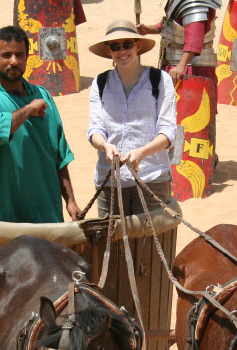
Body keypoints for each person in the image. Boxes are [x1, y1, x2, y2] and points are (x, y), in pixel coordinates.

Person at [0, 25, 80, 223]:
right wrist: (28, 110)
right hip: (1, 216)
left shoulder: (43, 96)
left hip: (45, 212)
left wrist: (70, 201)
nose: (14, 61)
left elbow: (59, 155)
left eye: (20, 55)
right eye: (6, 55)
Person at [87, 19, 176, 217]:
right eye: (115, 46)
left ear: (138, 46)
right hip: (109, 181)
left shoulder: (161, 80)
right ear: (108, 50)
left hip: (151, 179)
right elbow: (95, 130)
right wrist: (105, 146)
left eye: (127, 44)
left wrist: (142, 153)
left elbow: (168, 132)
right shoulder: (100, 83)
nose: (122, 51)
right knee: (110, 245)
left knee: (149, 247)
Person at [136, 0, 225, 86]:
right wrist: (148, 29)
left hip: (191, 69)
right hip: (178, 66)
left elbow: (194, 39)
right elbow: (172, 24)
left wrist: (181, 66)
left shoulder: (194, 3)